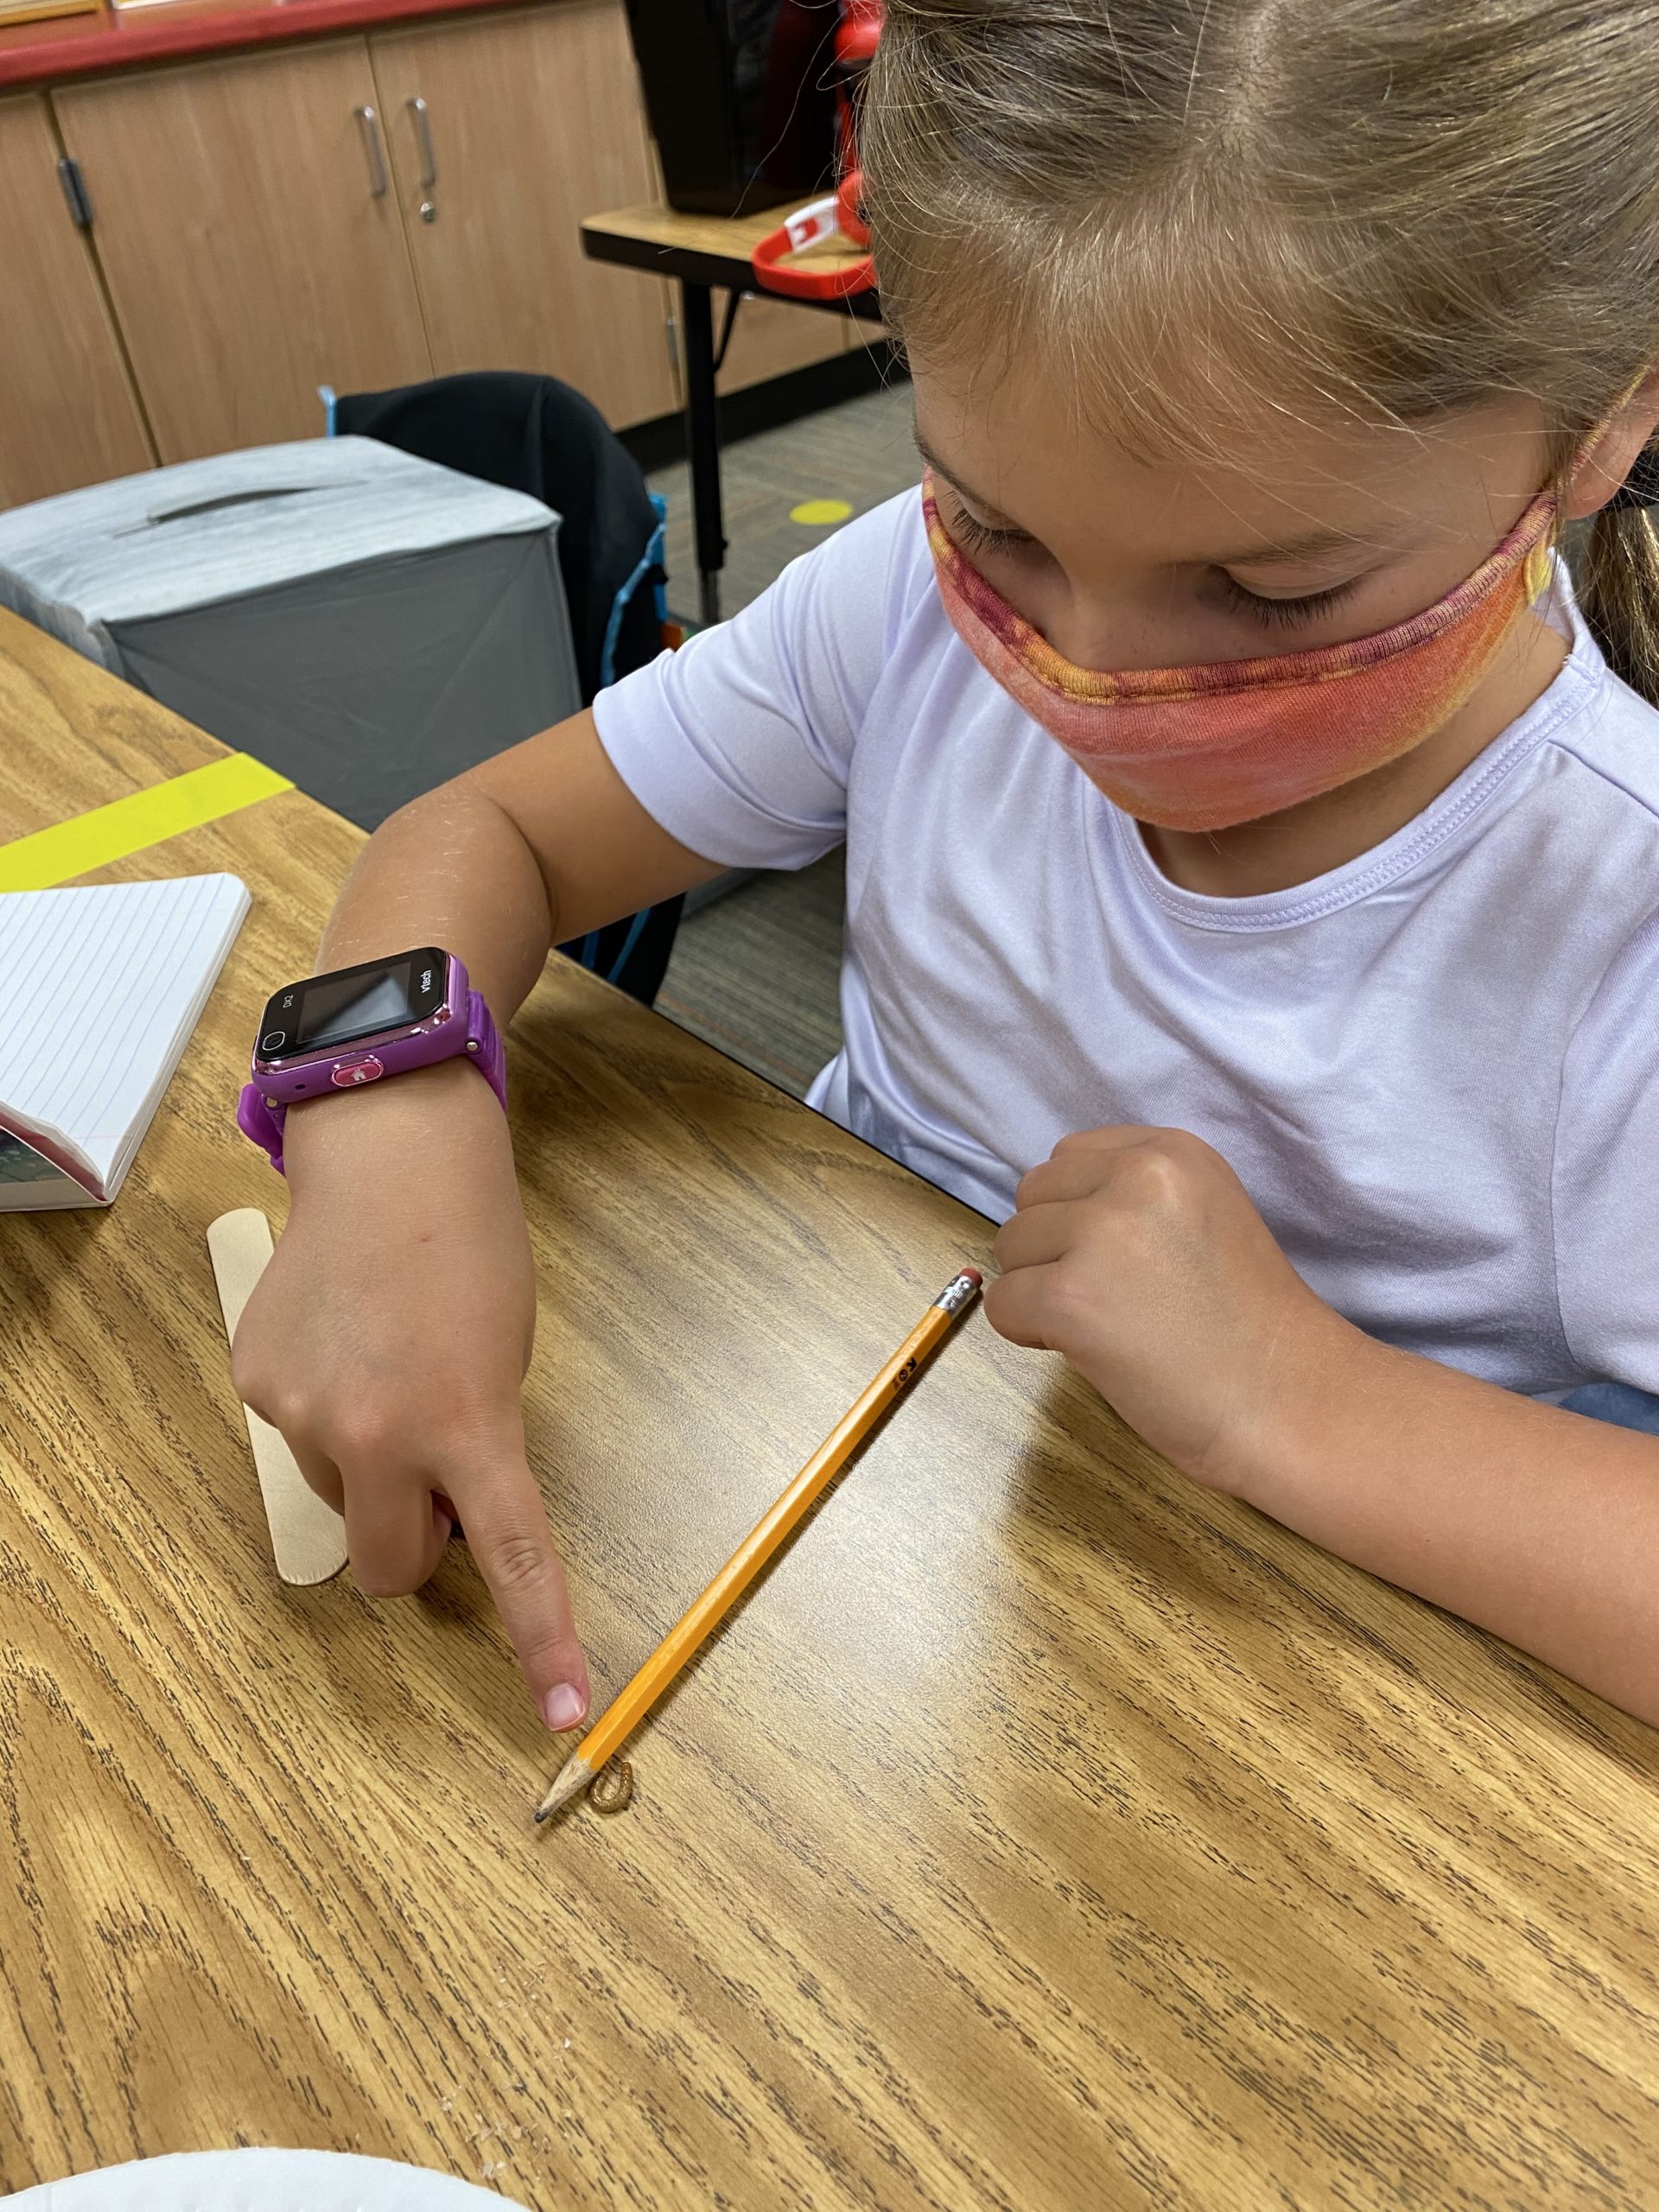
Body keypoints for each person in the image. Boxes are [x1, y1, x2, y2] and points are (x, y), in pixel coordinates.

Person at [232, 0, 1659, 1737]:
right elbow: (482, 832)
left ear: (1599, 425)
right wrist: (382, 1131)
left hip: (1269, 1717)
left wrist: (1301, 1393)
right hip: (876, 1576)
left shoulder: (1614, 914)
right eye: (996, 524)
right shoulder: (897, 605)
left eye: (1276, 595)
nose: (1093, 676)